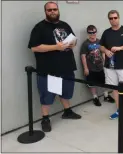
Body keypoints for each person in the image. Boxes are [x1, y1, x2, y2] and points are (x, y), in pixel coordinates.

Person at [27, 1, 81, 132]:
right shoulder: (39, 27)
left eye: (54, 9)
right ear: (45, 11)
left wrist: (72, 44)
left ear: (58, 10)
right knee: (47, 96)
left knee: (66, 92)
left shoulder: (65, 25)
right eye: (49, 10)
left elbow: (73, 41)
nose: (52, 12)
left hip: (67, 67)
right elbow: (34, 48)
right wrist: (56, 47)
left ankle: (67, 111)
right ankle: (45, 118)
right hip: (49, 69)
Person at [99, 10, 123, 123]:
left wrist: (120, 48)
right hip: (109, 66)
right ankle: (119, 110)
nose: (113, 20)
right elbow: (101, 46)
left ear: (119, 18)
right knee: (114, 88)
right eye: (111, 18)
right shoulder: (106, 32)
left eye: (115, 18)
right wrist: (106, 50)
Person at [80, 25, 115, 106]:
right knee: (92, 83)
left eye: (94, 32)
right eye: (90, 33)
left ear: (96, 32)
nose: (92, 34)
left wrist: (104, 63)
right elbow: (83, 56)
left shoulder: (100, 42)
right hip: (91, 68)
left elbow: (103, 52)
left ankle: (106, 96)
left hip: (100, 67)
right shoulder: (85, 44)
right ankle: (95, 97)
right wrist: (85, 68)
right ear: (88, 33)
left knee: (104, 81)